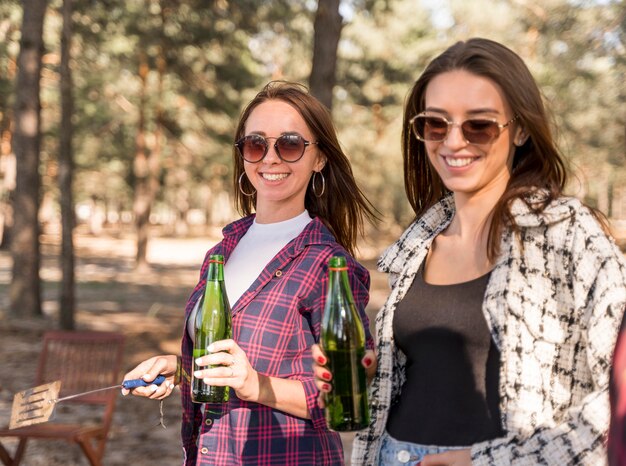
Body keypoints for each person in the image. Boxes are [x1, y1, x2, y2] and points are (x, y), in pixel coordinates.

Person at [313, 37, 626, 465]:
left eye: (478, 124)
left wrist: (483, 460)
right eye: (436, 124)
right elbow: (428, 384)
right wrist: (370, 376)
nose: (453, 142)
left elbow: (617, 394)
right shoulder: (418, 245)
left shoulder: (567, 233)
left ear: (518, 129)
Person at [122, 81, 377, 465]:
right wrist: (182, 369)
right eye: (256, 144)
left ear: (320, 157)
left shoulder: (326, 263)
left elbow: (347, 395)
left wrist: (253, 384)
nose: (270, 158)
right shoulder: (221, 252)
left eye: (289, 144)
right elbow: (241, 358)